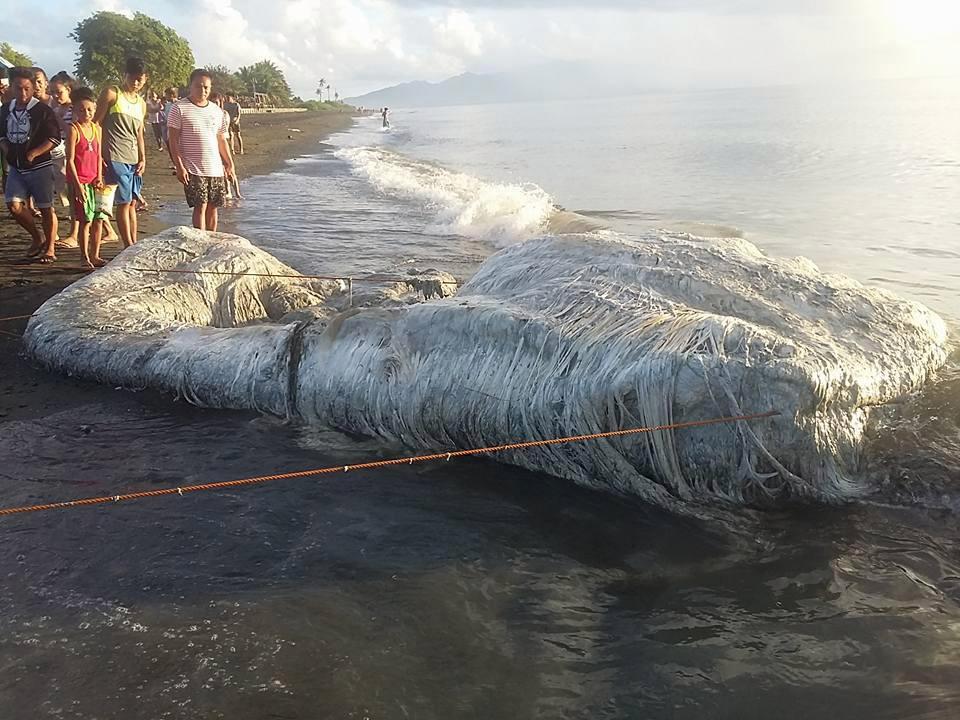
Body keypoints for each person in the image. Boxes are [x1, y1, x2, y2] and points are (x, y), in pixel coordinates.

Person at [0, 67, 62, 263]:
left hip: (39, 167)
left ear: (33, 87)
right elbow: (1, 134)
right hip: (16, 167)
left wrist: (34, 152)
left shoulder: (42, 110)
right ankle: (37, 237)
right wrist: (5, 148)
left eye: (27, 88)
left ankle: (50, 248)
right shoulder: (5, 109)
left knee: (46, 208)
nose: (23, 93)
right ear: (11, 88)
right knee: (13, 205)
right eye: (19, 88)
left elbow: (54, 138)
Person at [167, 68, 235, 231]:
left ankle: (211, 240)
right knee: (201, 206)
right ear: (190, 86)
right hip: (193, 168)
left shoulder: (217, 111)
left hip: (215, 169)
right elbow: (173, 140)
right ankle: (200, 240)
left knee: (213, 206)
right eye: (198, 86)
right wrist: (179, 167)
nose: (202, 90)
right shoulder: (179, 108)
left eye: (206, 87)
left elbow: (222, 140)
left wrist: (229, 164)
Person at [94, 57, 147, 248]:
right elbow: (96, 124)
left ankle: (133, 244)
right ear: (125, 76)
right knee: (123, 203)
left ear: (145, 79)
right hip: (114, 155)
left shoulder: (141, 103)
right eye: (132, 78)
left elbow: (140, 132)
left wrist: (143, 157)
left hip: (133, 159)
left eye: (139, 79)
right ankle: (128, 246)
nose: (135, 82)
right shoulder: (112, 94)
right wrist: (98, 154)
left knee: (132, 202)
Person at [65, 87, 106, 269]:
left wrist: (99, 177)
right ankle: (83, 256)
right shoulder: (74, 130)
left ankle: (95, 254)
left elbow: (98, 156)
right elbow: (70, 160)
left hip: (94, 181)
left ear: (95, 108)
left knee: (99, 218)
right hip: (79, 181)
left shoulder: (97, 129)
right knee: (85, 220)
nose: (86, 113)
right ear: (74, 110)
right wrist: (78, 186)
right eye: (81, 110)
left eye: (89, 109)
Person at [49, 71, 80, 247]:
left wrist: (58, 119)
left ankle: (74, 235)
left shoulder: (74, 109)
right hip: (55, 155)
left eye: (58, 92)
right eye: (52, 92)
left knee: (73, 194)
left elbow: (71, 132)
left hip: (71, 155)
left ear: (68, 89)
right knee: (63, 194)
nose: (55, 96)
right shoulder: (55, 108)